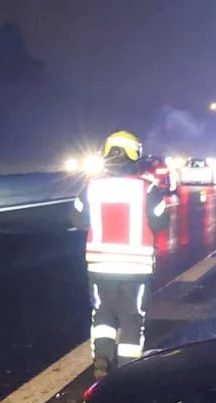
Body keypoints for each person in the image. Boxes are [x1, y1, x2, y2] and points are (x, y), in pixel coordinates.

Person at [71, 131, 171, 378]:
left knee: (102, 315)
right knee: (132, 319)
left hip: (100, 267)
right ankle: (128, 374)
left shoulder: (92, 188)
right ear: (133, 154)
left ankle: (102, 360)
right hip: (135, 270)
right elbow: (161, 222)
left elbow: (76, 218)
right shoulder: (147, 190)